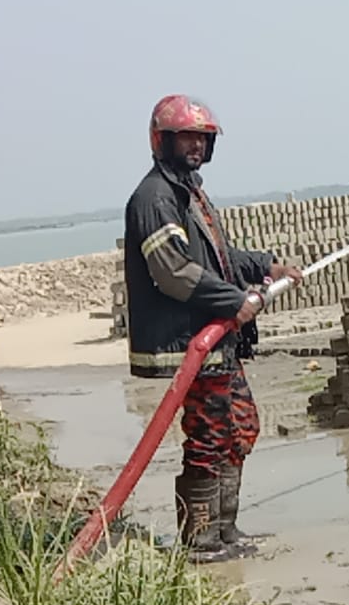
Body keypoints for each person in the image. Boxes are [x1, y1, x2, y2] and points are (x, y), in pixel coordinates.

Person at [124, 94, 303, 562]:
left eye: (202, 139)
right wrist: (234, 302)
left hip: (218, 343)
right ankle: (200, 540)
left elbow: (218, 258)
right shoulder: (154, 198)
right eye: (187, 137)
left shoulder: (190, 194)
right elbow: (173, 270)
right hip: (190, 345)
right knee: (207, 437)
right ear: (161, 140)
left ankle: (226, 531)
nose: (196, 147)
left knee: (239, 429)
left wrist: (268, 265)